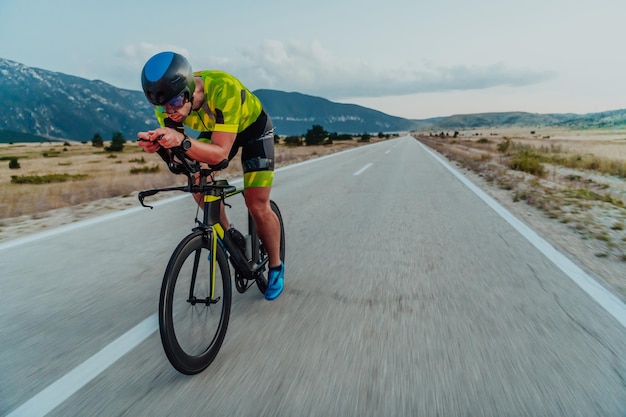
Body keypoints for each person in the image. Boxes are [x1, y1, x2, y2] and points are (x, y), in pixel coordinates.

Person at [137, 51, 284, 300]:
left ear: (188, 90)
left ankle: (276, 266)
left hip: (253, 131)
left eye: (173, 104)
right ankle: (228, 237)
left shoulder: (223, 88)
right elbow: (180, 156)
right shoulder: (167, 103)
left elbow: (219, 155)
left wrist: (181, 141)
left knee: (256, 203)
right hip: (216, 130)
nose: (167, 112)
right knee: (197, 181)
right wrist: (161, 148)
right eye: (161, 106)